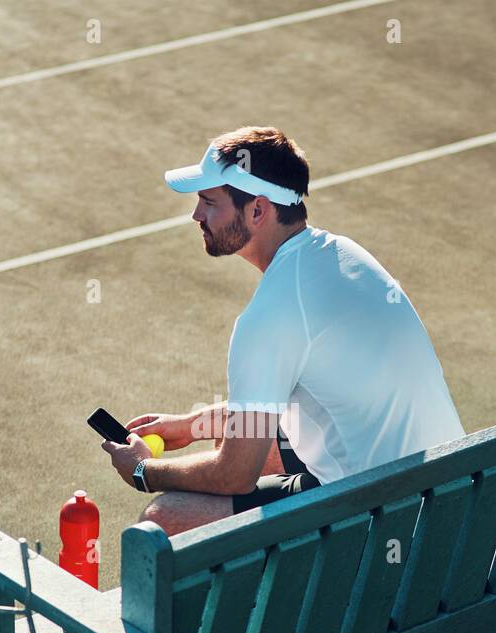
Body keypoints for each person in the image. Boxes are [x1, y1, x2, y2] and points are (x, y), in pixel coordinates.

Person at [102, 126, 464, 537]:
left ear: (258, 210)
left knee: (163, 519)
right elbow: (270, 414)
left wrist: (143, 471)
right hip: (452, 504)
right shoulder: (346, 255)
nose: (196, 215)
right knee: (268, 449)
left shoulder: (267, 318)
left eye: (208, 202)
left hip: (389, 526)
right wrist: (190, 426)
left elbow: (234, 474)